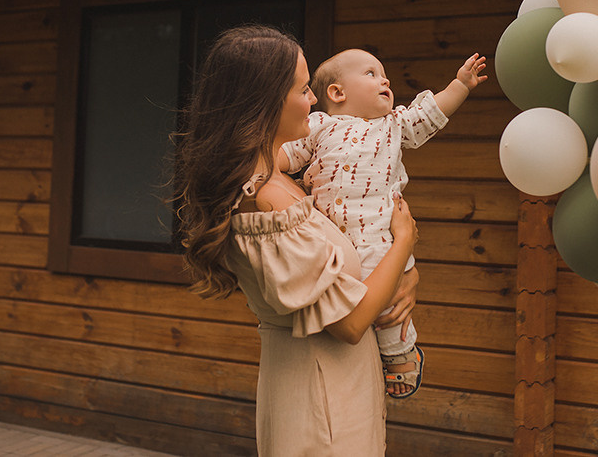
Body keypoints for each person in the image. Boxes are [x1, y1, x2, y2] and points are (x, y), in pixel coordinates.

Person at [172, 25, 420, 456]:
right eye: (304, 89)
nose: (313, 99)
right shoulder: (263, 202)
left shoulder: (285, 181)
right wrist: (403, 241)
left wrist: (405, 278)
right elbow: (349, 322)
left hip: (337, 387)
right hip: (322, 400)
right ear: (265, 101)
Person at [279, 48, 487, 398]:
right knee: (348, 295)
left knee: (390, 306)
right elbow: (287, 155)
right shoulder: (318, 126)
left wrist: (460, 85)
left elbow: (430, 113)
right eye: (372, 74)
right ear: (337, 93)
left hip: (378, 236)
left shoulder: (392, 124)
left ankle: (398, 353)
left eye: (384, 74)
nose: (385, 80)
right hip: (332, 238)